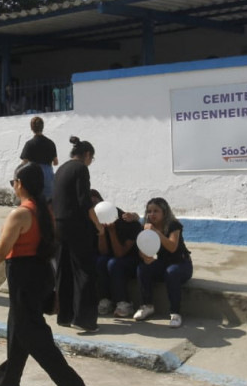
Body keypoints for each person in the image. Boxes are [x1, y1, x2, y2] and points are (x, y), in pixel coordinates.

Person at [0, 162, 89, 386]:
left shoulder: (20, 214)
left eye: (13, 182)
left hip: (24, 276)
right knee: (17, 327)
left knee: (32, 333)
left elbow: (1, 252)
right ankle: (8, 383)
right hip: (40, 273)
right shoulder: (44, 211)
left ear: (20, 184)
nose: (13, 186)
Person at [53, 135, 104, 333]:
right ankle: (85, 320)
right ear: (87, 154)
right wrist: (98, 226)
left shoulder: (62, 169)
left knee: (64, 271)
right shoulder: (81, 169)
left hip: (60, 226)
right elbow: (84, 202)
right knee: (84, 272)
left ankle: (64, 316)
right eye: (92, 158)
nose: (91, 162)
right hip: (77, 227)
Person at [133, 198, 194, 327]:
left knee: (171, 272)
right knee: (143, 268)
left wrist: (156, 232)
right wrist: (145, 257)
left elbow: (172, 247)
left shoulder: (173, 225)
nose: (152, 214)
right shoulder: (145, 226)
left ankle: (175, 313)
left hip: (181, 265)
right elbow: (141, 249)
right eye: (149, 211)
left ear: (164, 212)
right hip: (163, 263)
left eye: (156, 211)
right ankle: (147, 306)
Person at [90, 190, 142, 318]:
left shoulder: (127, 221)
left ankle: (124, 302)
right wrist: (102, 233)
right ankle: (105, 299)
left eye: (94, 202)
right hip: (111, 260)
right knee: (100, 261)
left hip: (132, 260)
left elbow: (120, 254)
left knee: (114, 263)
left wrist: (112, 232)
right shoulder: (95, 222)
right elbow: (104, 252)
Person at [20, 116, 58, 198]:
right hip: (48, 175)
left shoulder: (29, 144)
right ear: (42, 127)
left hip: (34, 174)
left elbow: (24, 163)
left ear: (31, 128)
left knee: (35, 201)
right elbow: (56, 162)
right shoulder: (50, 143)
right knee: (48, 202)